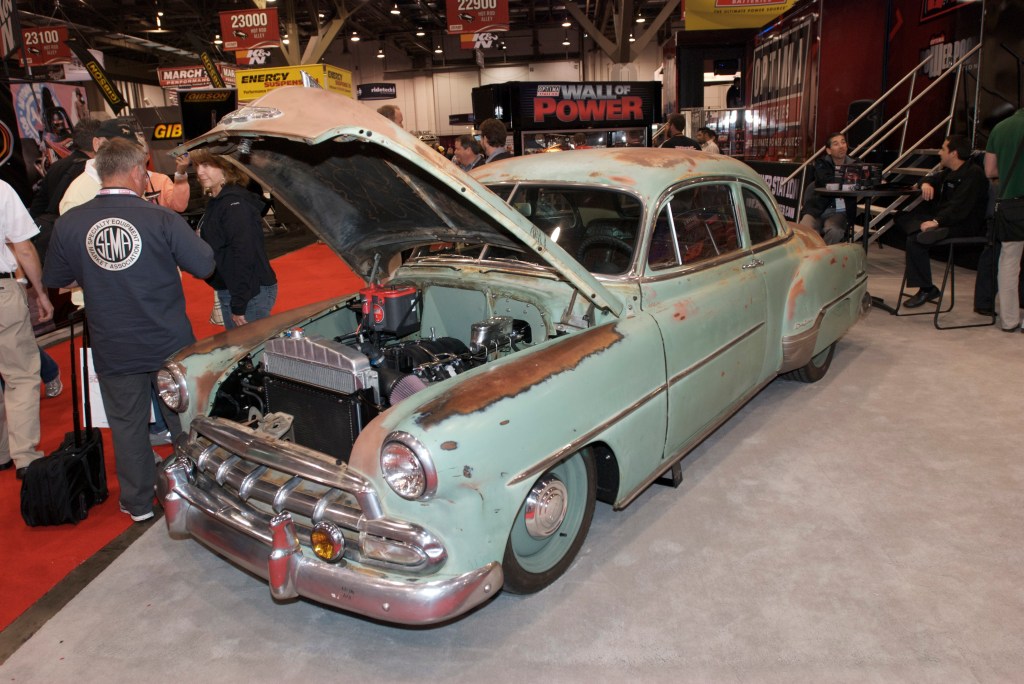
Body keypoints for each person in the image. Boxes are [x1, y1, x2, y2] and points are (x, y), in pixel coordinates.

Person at [43, 138, 214, 521]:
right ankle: (194, 488)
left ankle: (137, 502)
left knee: (127, 424)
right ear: (138, 171)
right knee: (181, 420)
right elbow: (204, 265)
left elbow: (59, 279)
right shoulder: (161, 219)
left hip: (113, 341)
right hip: (168, 341)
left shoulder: (71, 222)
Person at [0, 180, 53, 479]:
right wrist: (41, 292)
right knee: (19, 374)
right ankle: (24, 458)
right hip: (1, 289)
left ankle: (1, 454)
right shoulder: (1, 189)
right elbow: (23, 247)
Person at [190, 148, 278, 329]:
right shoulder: (219, 201)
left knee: (250, 353)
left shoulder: (233, 205)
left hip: (248, 293)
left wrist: (239, 304)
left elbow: (244, 255)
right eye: (197, 165)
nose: (199, 172)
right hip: (236, 289)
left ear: (225, 168)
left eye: (206, 165)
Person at [899, 134, 989, 308]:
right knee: (901, 217)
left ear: (953, 153)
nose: (939, 153)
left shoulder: (974, 174)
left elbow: (959, 207)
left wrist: (937, 221)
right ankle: (926, 232)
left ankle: (926, 289)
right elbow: (931, 177)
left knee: (916, 240)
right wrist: (925, 183)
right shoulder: (950, 172)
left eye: (943, 149)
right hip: (945, 221)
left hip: (963, 226)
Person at [59, 117, 190, 215]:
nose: (124, 153)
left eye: (130, 148)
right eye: (115, 145)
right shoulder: (77, 196)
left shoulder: (132, 183)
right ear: (96, 144)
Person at [988, 107, 1024, 331]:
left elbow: (990, 171)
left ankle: (1009, 320)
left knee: (1009, 262)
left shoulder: (1000, 128)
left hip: (1012, 204)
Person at [799, 132, 858, 245]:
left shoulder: (855, 164)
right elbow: (824, 180)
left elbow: (861, 181)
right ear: (829, 150)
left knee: (834, 231)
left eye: (843, 142)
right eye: (836, 144)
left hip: (840, 211)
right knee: (804, 228)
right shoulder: (821, 164)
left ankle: (822, 254)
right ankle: (811, 254)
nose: (841, 146)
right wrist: (846, 179)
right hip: (818, 208)